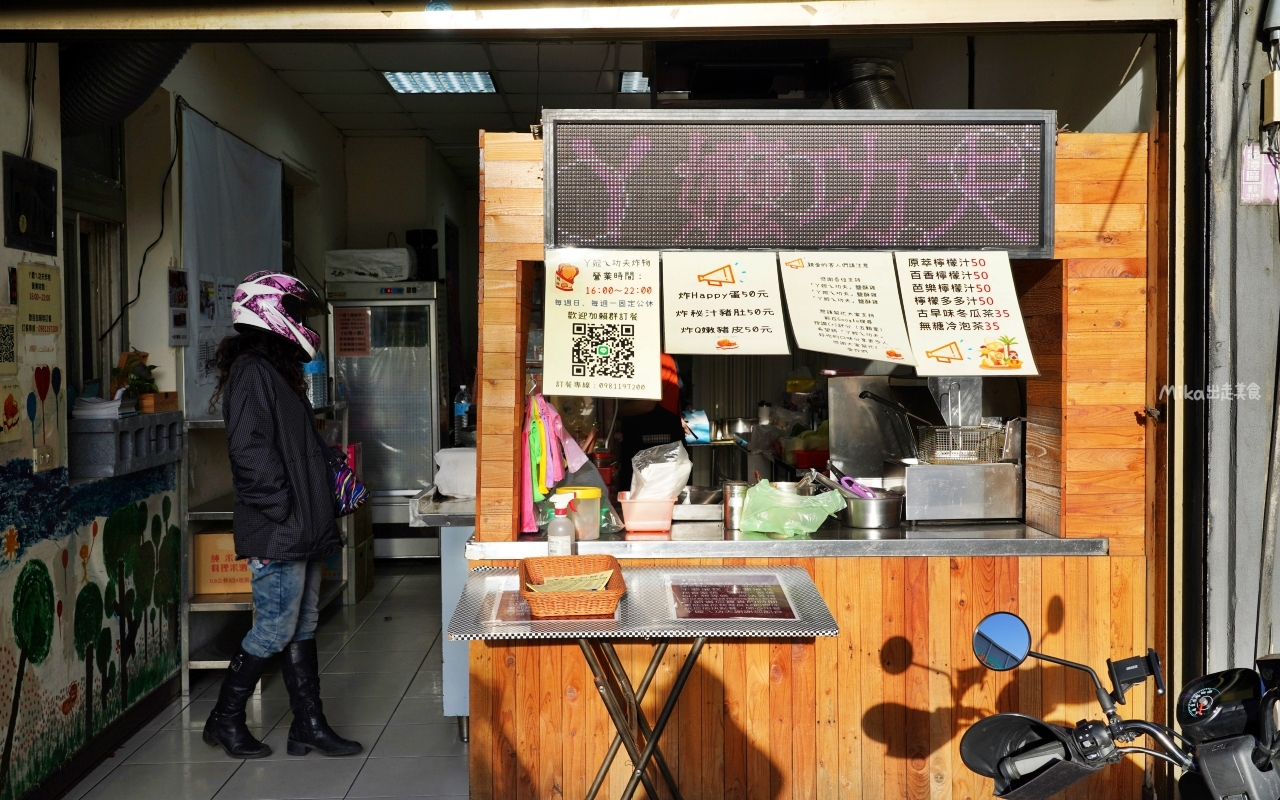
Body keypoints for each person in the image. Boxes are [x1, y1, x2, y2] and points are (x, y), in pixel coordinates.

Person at [203, 271, 361, 759]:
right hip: (281, 529)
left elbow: (291, 448)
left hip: (302, 526)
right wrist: (284, 508)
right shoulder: (253, 371)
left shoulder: (272, 371)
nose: (298, 322)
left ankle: (307, 726)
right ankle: (224, 721)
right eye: (292, 312)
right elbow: (249, 453)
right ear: (268, 313)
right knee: (273, 628)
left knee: (304, 624)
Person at [617, 353, 685, 488]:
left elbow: (647, 404)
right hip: (642, 440)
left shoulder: (657, 359)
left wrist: (612, 412)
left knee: (655, 491)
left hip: (659, 443)